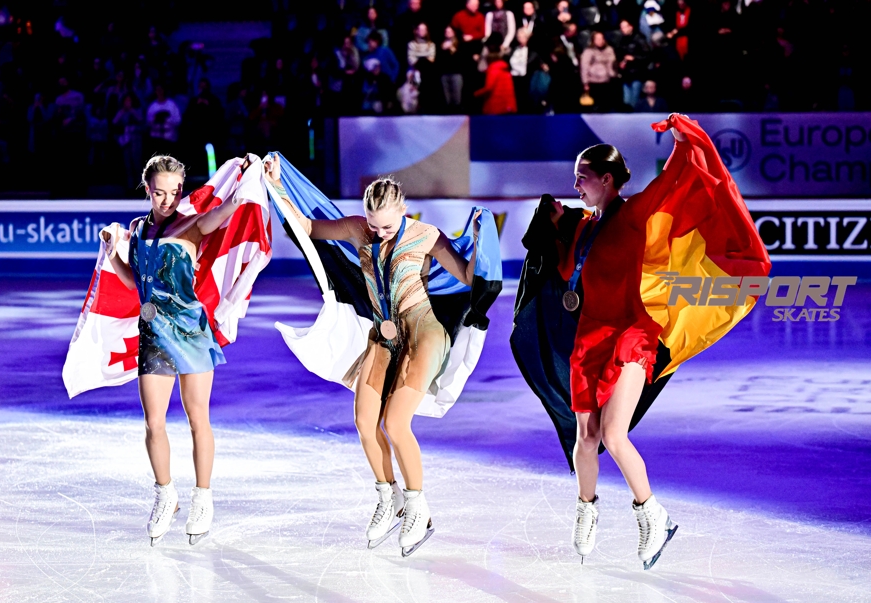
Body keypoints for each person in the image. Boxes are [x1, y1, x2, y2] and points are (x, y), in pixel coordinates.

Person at [509, 114, 771, 570]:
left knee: (613, 434)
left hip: (632, 332)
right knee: (586, 437)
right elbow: (567, 270)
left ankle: (652, 514)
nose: (576, 186)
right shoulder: (583, 228)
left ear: (607, 180)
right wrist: (553, 227)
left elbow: (676, 179)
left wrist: (683, 135)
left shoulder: (635, 214)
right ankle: (586, 510)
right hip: (589, 338)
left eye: (583, 178)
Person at [263, 155, 501, 556]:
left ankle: (418, 507)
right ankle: (389, 498)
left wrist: (480, 239)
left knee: (395, 422)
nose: (379, 233)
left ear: (403, 209)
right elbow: (307, 227)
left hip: (424, 333)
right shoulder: (358, 230)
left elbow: (466, 275)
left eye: (387, 227)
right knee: (364, 421)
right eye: (374, 226)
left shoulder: (426, 235)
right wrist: (277, 185)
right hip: (383, 336)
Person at [100, 155, 257, 546]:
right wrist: (113, 251)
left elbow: (228, 208)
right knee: (154, 422)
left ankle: (202, 498)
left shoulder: (192, 224)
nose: (168, 200)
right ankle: (165, 495)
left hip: (190, 332)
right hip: (153, 333)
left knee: (197, 418)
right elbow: (134, 282)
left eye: (175, 192)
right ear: (147, 189)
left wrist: (250, 176)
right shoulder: (137, 229)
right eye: (160, 193)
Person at [580, 31, 618, 111]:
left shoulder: (609, 50)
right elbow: (584, 67)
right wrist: (585, 82)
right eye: (597, 39)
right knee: (595, 106)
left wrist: (613, 74)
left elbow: (612, 64)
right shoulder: (588, 51)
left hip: (607, 81)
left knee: (606, 106)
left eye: (601, 39)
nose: (600, 41)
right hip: (594, 82)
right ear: (593, 40)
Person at [475, 50, 518, 114]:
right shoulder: (505, 69)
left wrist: (476, 94)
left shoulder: (493, 70)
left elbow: (489, 88)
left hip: (495, 105)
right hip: (507, 104)